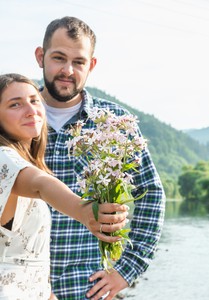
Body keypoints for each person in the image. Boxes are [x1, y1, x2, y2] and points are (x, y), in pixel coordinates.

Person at [34, 16, 166, 300]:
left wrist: (127, 269)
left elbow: (151, 193)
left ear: (91, 66)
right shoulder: (14, 115)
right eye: (58, 58)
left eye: (79, 62)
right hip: (17, 286)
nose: (67, 70)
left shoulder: (115, 122)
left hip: (87, 289)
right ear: (40, 57)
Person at [0, 73, 129, 299]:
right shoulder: (4, 158)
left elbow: (27, 258)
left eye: (34, 100)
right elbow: (41, 184)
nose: (31, 110)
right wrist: (83, 210)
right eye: (15, 104)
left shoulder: (29, 161)